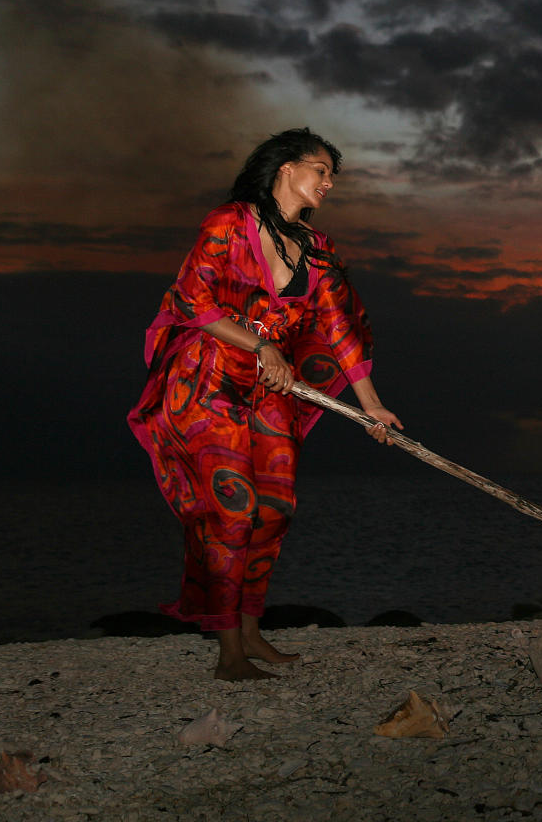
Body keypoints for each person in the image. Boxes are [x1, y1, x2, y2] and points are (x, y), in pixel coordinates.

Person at [127, 127, 403, 680]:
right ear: (285, 169)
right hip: (206, 379)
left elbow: (339, 328)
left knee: (274, 511)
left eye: (332, 175)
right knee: (233, 510)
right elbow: (191, 298)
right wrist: (261, 344)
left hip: (271, 388)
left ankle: (251, 633)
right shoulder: (228, 223)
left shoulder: (318, 250)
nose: (329, 182)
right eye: (321, 169)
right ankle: (228, 651)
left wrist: (372, 405)